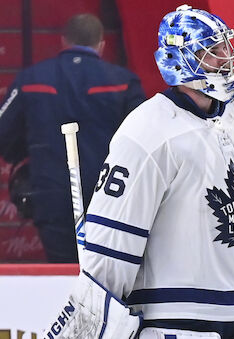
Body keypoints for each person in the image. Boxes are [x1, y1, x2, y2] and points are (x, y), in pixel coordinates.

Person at [42, 5, 234, 339]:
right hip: (181, 318)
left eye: (225, 46)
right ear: (178, 60)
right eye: (210, 51)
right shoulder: (145, 132)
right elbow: (110, 251)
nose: (224, 58)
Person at [0, 13, 146, 263]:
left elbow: (3, 131)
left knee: (63, 274)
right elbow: (145, 140)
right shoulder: (123, 81)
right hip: (111, 198)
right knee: (107, 272)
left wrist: (26, 153)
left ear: (63, 42)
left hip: (50, 196)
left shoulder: (31, 79)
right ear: (101, 45)